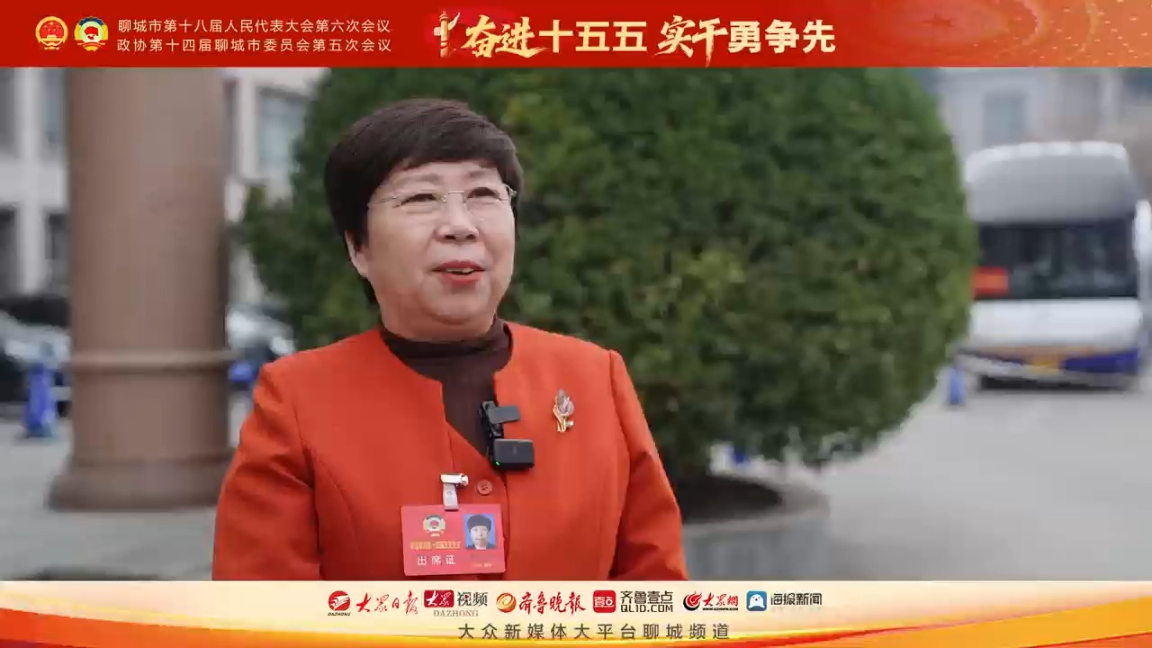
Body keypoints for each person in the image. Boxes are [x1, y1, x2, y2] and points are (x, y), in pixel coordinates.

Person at [212, 98, 687, 581]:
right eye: (421, 198)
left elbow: (657, 589)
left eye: (483, 194)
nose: (460, 226)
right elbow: (261, 610)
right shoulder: (297, 400)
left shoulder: (594, 377)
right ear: (359, 247)